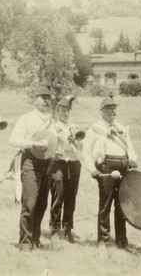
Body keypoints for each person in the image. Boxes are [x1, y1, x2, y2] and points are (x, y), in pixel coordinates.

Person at [82, 93, 137, 249]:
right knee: (105, 205)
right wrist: (92, 170)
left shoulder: (120, 128)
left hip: (123, 167)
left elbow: (130, 146)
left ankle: (121, 239)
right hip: (106, 167)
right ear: (101, 111)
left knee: (122, 205)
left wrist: (132, 160)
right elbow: (86, 151)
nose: (113, 112)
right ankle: (103, 240)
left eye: (114, 109)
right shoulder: (94, 129)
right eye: (109, 109)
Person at [9, 85, 57, 251]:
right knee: (30, 203)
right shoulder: (27, 119)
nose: (46, 101)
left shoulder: (52, 120)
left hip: (48, 163)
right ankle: (25, 243)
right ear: (34, 100)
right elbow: (13, 139)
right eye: (43, 97)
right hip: (30, 161)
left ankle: (35, 239)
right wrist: (32, 144)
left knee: (42, 203)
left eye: (48, 98)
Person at [49, 95, 83, 243]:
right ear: (57, 111)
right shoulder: (52, 126)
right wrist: (62, 136)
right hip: (59, 162)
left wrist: (75, 139)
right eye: (63, 110)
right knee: (58, 195)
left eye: (68, 110)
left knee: (71, 197)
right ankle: (55, 228)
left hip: (74, 163)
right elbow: (50, 144)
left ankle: (68, 228)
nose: (66, 113)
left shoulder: (74, 127)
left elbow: (81, 147)